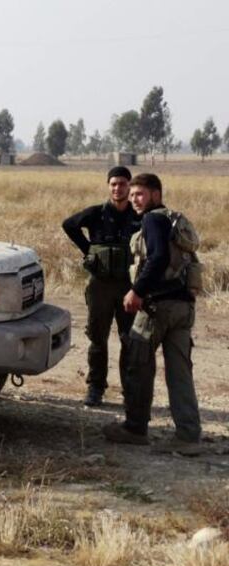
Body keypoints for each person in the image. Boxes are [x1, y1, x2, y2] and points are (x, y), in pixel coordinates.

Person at [102, 173, 202, 456]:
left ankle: (135, 429)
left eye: (140, 194)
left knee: (137, 362)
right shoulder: (174, 220)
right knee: (180, 372)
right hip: (183, 307)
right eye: (132, 194)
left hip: (158, 307)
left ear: (155, 195)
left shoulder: (153, 220)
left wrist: (137, 291)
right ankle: (188, 436)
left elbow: (158, 258)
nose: (134, 199)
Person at [62, 166, 140, 406]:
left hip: (128, 286)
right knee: (98, 338)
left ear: (129, 186)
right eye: (113, 184)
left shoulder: (139, 216)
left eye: (122, 184)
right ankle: (95, 387)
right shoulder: (96, 213)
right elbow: (69, 224)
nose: (118, 188)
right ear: (108, 186)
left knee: (129, 339)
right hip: (100, 286)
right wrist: (89, 250)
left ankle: (131, 390)